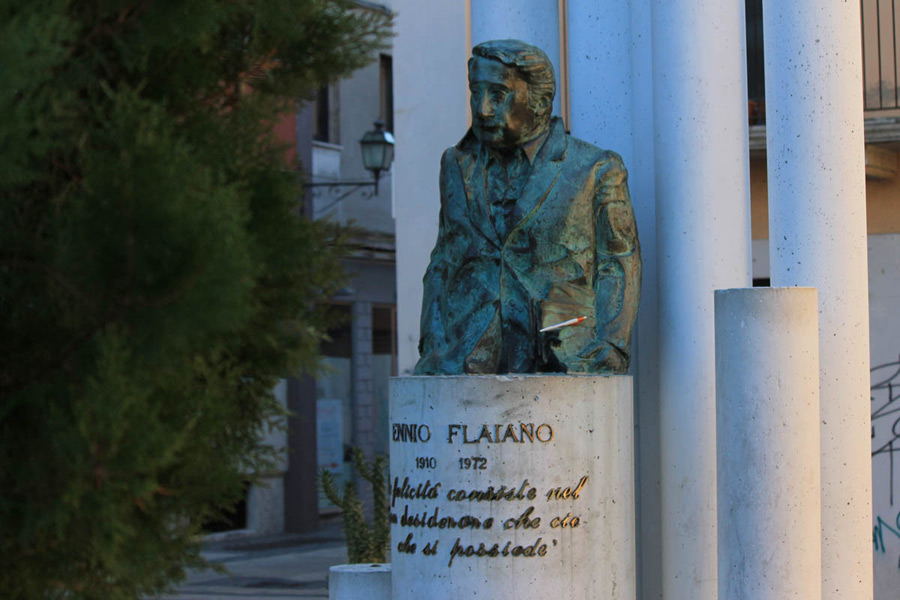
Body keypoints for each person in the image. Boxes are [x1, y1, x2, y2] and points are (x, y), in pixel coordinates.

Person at [414, 39, 641, 375]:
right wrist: (432, 341)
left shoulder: (594, 169)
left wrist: (608, 346)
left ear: (540, 102)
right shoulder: (455, 164)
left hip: (562, 354)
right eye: (476, 92)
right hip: (461, 359)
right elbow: (444, 260)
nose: (483, 109)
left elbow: (618, 263)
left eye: (498, 94)